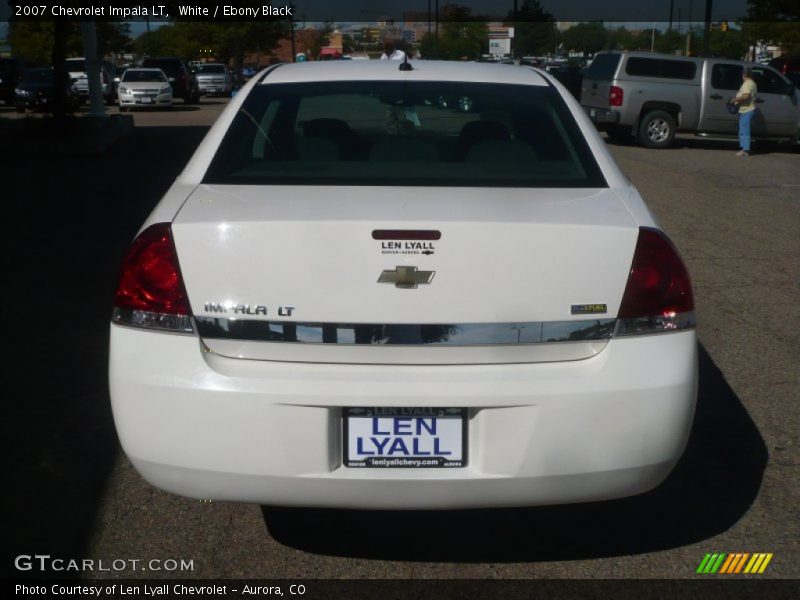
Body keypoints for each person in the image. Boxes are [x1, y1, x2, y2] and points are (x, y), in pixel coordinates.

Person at [732, 66, 757, 156]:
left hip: (747, 110)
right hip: (747, 109)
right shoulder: (753, 83)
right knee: (743, 130)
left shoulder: (747, 84)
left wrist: (735, 100)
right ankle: (745, 148)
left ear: (744, 74)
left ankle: (745, 150)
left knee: (744, 130)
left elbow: (746, 96)